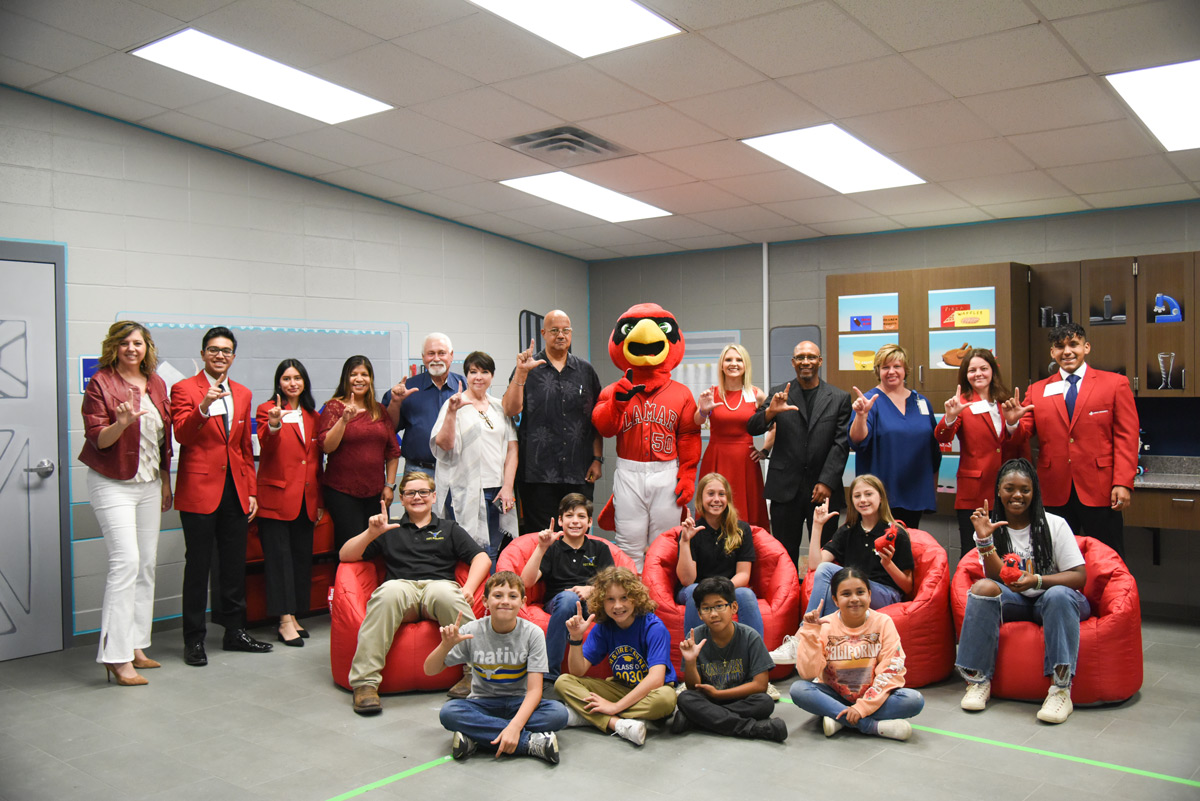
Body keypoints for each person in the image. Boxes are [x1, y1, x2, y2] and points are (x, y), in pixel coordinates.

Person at [341, 472, 490, 714]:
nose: (417, 497)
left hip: (438, 586)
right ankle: (365, 684)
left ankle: (476, 674)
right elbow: (345, 555)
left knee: (449, 595)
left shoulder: (449, 528)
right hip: (401, 587)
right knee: (386, 594)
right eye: (410, 493)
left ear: (433, 497)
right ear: (401, 498)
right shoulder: (390, 529)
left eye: (423, 492)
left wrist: (469, 588)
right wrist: (371, 533)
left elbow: (481, 558)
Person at [956, 458, 1090, 724]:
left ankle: (1061, 689)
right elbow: (994, 577)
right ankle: (978, 681)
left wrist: (1038, 581)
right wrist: (984, 539)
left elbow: (1079, 577)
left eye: (1025, 489)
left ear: (1034, 491)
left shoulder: (1055, 524)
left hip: (1056, 599)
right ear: (998, 490)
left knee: (1058, 594)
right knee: (982, 588)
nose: (1017, 495)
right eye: (1009, 488)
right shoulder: (989, 525)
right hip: (1018, 600)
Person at [79, 321, 173, 685]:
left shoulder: (156, 384)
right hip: (111, 482)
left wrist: (165, 482)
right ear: (114, 348)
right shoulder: (101, 382)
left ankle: (135, 644)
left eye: (138, 343)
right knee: (126, 562)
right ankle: (115, 657)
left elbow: (164, 441)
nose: (132, 349)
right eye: (125, 343)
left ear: (147, 347)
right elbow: (98, 440)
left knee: (146, 564)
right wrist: (120, 424)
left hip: (149, 482)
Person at [171, 326, 271, 666]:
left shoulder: (242, 394)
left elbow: (244, 448)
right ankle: (194, 640)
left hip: (235, 491)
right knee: (198, 567)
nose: (220, 355)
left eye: (226, 351)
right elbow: (182, 436)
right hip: (199, 490)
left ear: (233, 356)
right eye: (213, 350)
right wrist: (203, 407)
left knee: (233, 567)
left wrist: (252, 491)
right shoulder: (184, 388)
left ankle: (235, 632)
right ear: (202, 354)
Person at [1002, 323, 1139, 555]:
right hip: (1054, 489)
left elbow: (1127, 436)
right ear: (1052, 353)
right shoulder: (1037, 390)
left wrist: (1123, 482)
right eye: (1059, 347)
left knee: (1108, 557)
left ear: (1086, 347)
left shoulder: (1114, 384)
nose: (1067, 351)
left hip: (1101, 489)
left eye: (1073, 344)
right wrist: (1012, 423)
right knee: (1055, 557)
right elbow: (1022, 435)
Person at [425, 571, 568, 764]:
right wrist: (445, 645)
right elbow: (430, 670)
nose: (505, 601)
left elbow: (535, 691)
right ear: (485, 601)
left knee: (558, 714)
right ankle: (531, 742)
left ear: (522, 601)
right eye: (498, 595)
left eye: (512, 596)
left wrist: (515, 727)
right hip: (482, 704)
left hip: (520, 703)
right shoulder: (471, 630)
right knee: (449, 713)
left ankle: (476, 737)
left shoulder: (533, 633)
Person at [770, 474, 913, 665]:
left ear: (881, 497)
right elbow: (815, 564)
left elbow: (908, 586)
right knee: (832, 590)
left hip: (886, 594)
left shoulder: (896, 532)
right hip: (852, 592)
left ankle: (801, 638)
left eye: (868, 494)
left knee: (831, 575)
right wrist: (818, 526)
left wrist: (888, 564)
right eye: (857, 496)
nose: (863, 500)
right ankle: (828, 662)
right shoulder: (848, 530)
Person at [788, 566, 924, 740]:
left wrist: (862, 708)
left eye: (860, 592)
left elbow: (891, 671)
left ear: (869, 594)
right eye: (846, 594)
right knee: (799, 690)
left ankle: (838, 718)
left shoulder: (883, 623)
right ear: (835, 600)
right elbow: (808, 673)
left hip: (874, 697)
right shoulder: (824, 625)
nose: (854, 599)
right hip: (834, 696)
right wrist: (810, 632)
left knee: (914, 700)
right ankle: (870, 726)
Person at [747, 340, 851, 566]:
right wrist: (770, 412)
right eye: (801, 357)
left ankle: (821, 596)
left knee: (825, 553)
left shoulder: (839, 398)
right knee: (784, 555)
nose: (806, 362)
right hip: (785, 489)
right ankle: (789, 598)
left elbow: (841, 444)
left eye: (811, 357)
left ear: (820, 361)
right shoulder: (778, 393)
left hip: (823, 490)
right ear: (793, 363)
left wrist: (827, 481)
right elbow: (753, 427)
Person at [501, 310, 603, 533]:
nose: (560, 335)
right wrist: (520, 373)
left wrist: (598, 458)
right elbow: (510, 409)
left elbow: (597, 418)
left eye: (566, 330)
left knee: (577, 534)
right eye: (554, 330)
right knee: (541, 537)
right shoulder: (529, 367)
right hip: (537, 472)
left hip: (580, 470)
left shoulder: (585, 370)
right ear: (543, 333)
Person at [554, 567, 677, 747]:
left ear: (635, 598)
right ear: (602, 603)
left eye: (624, 598)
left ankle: (589, 716)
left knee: (665, 700)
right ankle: (617, 723)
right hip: (620, 686)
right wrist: (575, 638)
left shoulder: (653, 627)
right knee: (563, 681)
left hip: (651, 691)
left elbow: (656, 679)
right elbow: (577, 671)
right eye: (610, 599)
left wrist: (614, 707)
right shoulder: (604, 627)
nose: (618, 606)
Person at [255, 359, 323, 647]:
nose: (292, 383)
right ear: (278, 383)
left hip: (306, 500)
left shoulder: (312, 415)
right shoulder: (266, 410)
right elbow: (266, 446)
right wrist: (273, 423)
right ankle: (283, 620)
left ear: (304, 382)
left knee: (299, 560)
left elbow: (317, 461)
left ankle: (293, 615)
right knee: (279, 561)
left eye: (297, 378)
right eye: (286, 378)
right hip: (276, 498)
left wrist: (319, 500)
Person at [935, 349, 1029, 558]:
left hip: (1008, 490)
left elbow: (1020, 443)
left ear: (992, 371)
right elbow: (942, 437)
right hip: (974, 491)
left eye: (983, 368)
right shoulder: (962, 403)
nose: (978, 374)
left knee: (1008, 554)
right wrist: (949, 418)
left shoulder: (1007, 402)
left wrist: (1013, 423)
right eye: (972, 370)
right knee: (972, 554)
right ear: (965, 375)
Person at [671, 577, 787, 741]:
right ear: (699, 614)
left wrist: (720, 694)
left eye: (719, 606)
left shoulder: (750, 637)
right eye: (706, 609)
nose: (713, 614)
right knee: (685, 698)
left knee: (764, 702)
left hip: (739, 697)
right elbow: (692, 687)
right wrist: (690, 661)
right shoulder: (695, 636)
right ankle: (754, 729)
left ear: (733, 607)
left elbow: (760, 685)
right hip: (707, 698)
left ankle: (696, 719)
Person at [431, 351, 518, 565]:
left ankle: (488, 597)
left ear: (492, 376)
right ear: (466, 376)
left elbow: (512, 450)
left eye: (484, 371)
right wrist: (452, 412)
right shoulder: (454, 403)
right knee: (464, 551)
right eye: (473, 372)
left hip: (496, 490)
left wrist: (507, 487)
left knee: (492, 551)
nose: (478, 377)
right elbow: (443, 445)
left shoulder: (500, 406)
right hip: (462, 490)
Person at [518, 493, 614, 681]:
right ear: (560, 521)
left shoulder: (599, 548)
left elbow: (613, 584)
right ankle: (548, 676)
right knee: (569, 599)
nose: (575, 521)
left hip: (592, 602)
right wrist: (541, 548)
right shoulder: (552, 548)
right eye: (569, 516)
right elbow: (526, 582)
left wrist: (591, 590)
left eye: (581, 516)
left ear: (589, 522)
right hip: (560, 602)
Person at [848, 343, 941, 529]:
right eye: (885, 367)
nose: (892, 371)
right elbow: (857, 440)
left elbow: (933, 449)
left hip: (915, 492)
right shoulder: (869, 401)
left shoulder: (921, 402)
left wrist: (932, 488)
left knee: (907, 549)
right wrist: (861, 416)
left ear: (905, 370)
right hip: (881, 494)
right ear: (878, 371)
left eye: (897, 366)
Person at [319, 355, 400, 551]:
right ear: (345, 378)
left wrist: (389, 485)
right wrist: (344, 420)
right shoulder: (334, 407)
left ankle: (371, 583)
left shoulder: (379, 410)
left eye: (364, 374)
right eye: (353, 374)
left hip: (375, 493)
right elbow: (326, 447)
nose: (359, 379)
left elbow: (393, 452)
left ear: (371, 379)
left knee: (375, 546)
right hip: (342, 493)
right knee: (351, 545)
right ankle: (347, 582)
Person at [676, 473, 763, 640]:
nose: (716, 499)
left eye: (721, 494)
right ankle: (696, 657)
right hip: (696, 587)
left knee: (747, 595)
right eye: (710, 494)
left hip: (729, 588)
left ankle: (755, 658)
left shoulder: (742, 529)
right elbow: (687, 580)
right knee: (694, 590)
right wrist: (685, 541)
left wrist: (721, 590)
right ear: (701, 498)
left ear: (728, 498)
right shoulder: (691, 530)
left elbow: (744, 575)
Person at [694, 344, 769, 531]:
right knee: (713, 509)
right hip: (716, 458)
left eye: (738, 360)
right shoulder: (711, 393)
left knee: (746, 512)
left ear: (746, 365)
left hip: (745, 462)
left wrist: (765, 450)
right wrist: (704, 410)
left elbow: (774, 425)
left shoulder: (756, 395)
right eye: (728, 360)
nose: (733, 364)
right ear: (721, 365)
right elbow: (696, 421)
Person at [384, 333, 466, 478]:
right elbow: (389, 428)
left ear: (451, 355)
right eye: (430, 354)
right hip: (419, 471)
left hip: (458, 470)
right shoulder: (407, 388)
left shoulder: (466, 387)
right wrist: (395, 402)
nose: (436, 358)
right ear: (423, 357)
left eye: (441, 353)